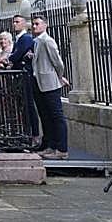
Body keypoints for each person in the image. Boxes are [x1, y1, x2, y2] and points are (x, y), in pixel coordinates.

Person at [30, 14, 69, 160]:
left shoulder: (48, 41)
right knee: (45, 116)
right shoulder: (37, 41)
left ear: (45, 25)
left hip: (50, 83)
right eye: (33, 24)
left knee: (56, 116)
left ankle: (62, 148)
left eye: (38, 24)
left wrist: (59, 76)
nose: (35, 26)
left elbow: (58, 62)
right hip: (39, 82)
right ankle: (50, 146)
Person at [8, 14, 41, 148]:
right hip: (20, 76)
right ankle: (26, 133)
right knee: (23, 105)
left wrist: (10, 59)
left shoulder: (25, 38)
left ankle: (34, 134)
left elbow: (16, 55)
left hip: (26, 76)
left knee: (28, 105)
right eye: (14, 22)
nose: (14, 24)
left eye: (17, 22)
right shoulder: (18, 38)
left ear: (24, 24)